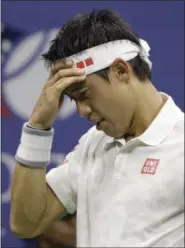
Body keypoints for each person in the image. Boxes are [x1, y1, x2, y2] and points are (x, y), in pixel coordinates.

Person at [10, 9, 184, 247]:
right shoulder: (93, 144)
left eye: (84, 95)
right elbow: (26, 224)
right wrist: (38, 128)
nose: (82, 111)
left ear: (121, 71)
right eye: (74, 101)